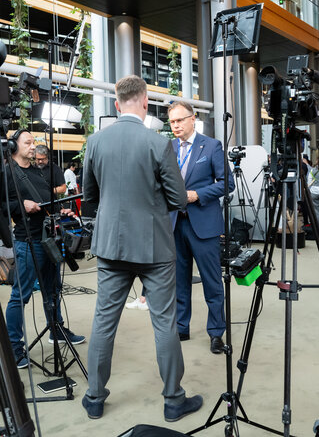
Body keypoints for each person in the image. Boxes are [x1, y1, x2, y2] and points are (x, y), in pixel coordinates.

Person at [81, 75, 201, 421]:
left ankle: (94, 398)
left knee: (104, 320)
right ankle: (174, 400)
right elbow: (179, 199)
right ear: (145, 102)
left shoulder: (96, 141)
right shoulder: (158, 142)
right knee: (164, 322)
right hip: (152, 246)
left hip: (110, 245)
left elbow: (90, 197)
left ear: (118, 104)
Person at [1, 130, 84, 369]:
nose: (32, 146)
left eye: (33, 141)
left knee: (53, 289)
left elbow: (50, 199)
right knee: (20, 296)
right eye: (27, 142)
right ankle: (14, 347)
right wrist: (20, 205)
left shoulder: (39, 171)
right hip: (28, 241)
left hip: (50, 239)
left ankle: (56, 329)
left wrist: (63, 212)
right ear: (13, 146)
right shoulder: (8, 173)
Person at [168, 101, 234, 354]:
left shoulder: (212, 145)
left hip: (203, 225)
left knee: (211, 281)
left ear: (193, 119)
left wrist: (198, 194)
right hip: (175, 224)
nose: (176, 126)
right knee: (179, 281)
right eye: (172, 122)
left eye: (180, 120)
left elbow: (226, 184)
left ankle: (216, 333)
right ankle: (181, 327)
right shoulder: (169, 147)